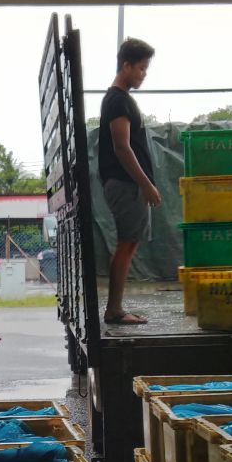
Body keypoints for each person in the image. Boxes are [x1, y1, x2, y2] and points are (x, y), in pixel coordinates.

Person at [98, 36, 161, 325]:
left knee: (129, 244)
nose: (143, 74)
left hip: (127, 183)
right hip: (126, 184)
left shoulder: (119, 99)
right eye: (141, 68)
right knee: (126, 244)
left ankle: (116, 308)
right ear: (126, 66)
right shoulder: (117, 100)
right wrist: (146, 184)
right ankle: (114, 310)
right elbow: (122, 147)